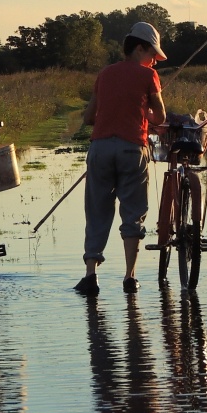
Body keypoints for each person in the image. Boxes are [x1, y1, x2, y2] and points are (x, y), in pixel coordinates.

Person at [75, 22, 166, 297]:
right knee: (133, 211)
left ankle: (91, 275)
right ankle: (129, 277)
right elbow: (160, 117)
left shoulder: (104, 74)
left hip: (100, 149)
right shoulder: (148, 76)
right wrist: (145, 117)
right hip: (131, 149)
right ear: (140, 48)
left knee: (97, 211)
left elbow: (89, 117)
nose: (154, 61)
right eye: (152, 54)